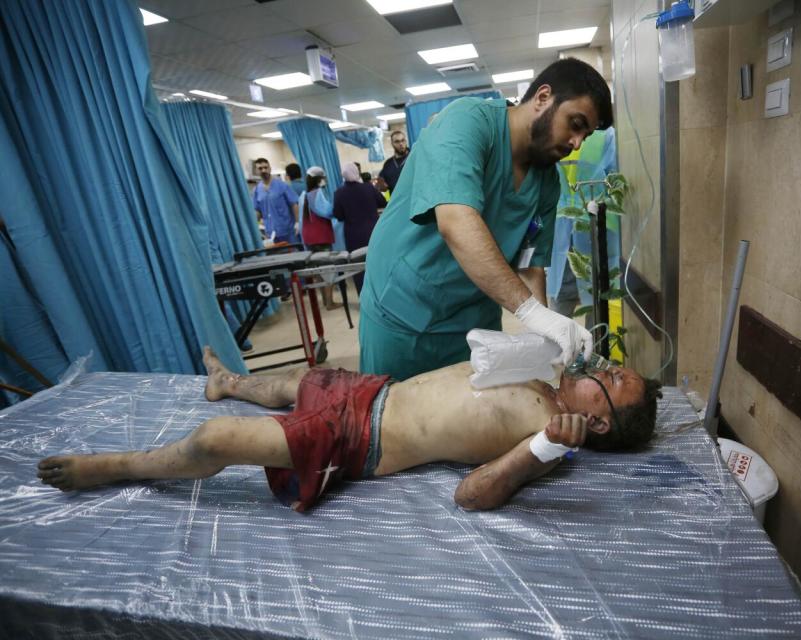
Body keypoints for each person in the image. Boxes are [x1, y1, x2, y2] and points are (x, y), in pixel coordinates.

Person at [37, 348, 662, 512]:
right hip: (376, 392)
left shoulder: (549, 435)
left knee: (217, 440)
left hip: (362, 439)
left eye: (609, 376)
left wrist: (548, 446)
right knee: (305, 378)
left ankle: (118, 465)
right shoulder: (548, 375)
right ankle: (229, 381)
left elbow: (472, 494)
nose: (600, 365)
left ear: (599, 418)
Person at [359, 58, 614, 381]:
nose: (577, 142)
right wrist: (532, 313)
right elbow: (455, 221)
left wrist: (546, 332)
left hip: (473, 321)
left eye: (586, 136)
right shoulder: (465, 123)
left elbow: (529, 264)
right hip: (403, 313)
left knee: (469, 419)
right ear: (542, 97)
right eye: (575, 124)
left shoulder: (546, 182)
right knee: (390, 416)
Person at [548, 127, 620, 321]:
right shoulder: (606, 137)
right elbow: (616, 180)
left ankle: (561, 349)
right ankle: (596, 349)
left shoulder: (553, 132)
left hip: (561, 226)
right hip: (595, 225)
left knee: (561, 304)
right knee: (597, 299)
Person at [333, 162, 387, 294]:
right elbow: (383, 202)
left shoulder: (339, 193)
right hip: (374, 233)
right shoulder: (368, 188)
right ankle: (382, 295)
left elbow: (338, 216)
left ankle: (364, 298)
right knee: (378, 265)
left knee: (358, 269)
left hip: (353, 236)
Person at [299, 166, 340, 310]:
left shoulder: (303, 195)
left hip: (309, 238)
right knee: (328, 269)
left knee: (317, 270)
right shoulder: (317, 194)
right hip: (321, 237)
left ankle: (324, 301)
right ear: (320, 179)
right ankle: (330, 303)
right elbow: (326, 211)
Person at [252, 158, 299, 245]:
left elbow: (294, 204)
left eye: (266, 167)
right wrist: (256, 228)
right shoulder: (256, 190)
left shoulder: (282, 185)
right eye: (260, 168)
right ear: (256, 171)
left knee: (294, 254)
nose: (264, 170)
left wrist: (297, 222)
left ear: (270, 168)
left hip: (287, 230)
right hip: (270, 233)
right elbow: (257, 210)